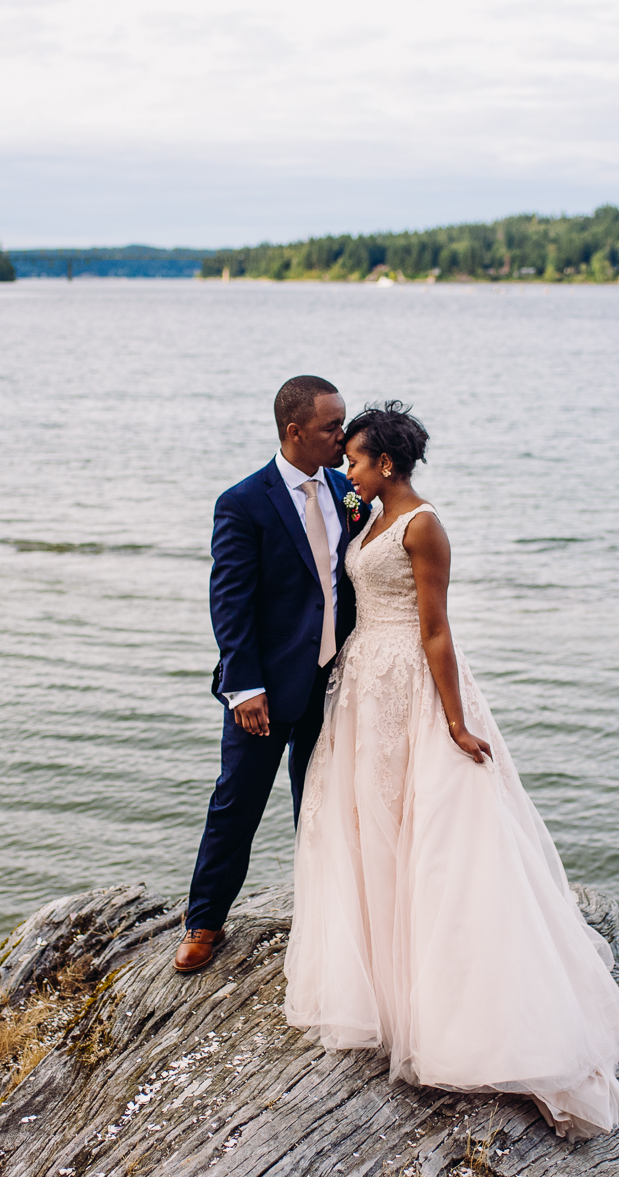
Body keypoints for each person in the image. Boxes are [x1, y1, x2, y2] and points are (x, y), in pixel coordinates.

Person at [282, 401, 619, 1139]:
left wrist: (453, 720)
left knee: (433, 837)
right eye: (344, 459)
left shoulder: (422, 525)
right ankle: (383, 993)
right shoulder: (371, 513)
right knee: (369, 827)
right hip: (364, 688)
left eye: (355, 460)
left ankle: (454, 1013)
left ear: (387, 463)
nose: (346, 471)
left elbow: (437, 629)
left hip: (412, 684)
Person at [176, 375, 370, 974]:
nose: (343, 436)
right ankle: (205, 921)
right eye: (332, 427)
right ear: (295, 432)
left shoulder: (348, 489)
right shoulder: (242, 502)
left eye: (342, 424)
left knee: (320, 805)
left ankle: (321, 918)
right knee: (236, 804)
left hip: (332, 683)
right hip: (262, 691)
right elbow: (229, 603)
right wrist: (245, 687)